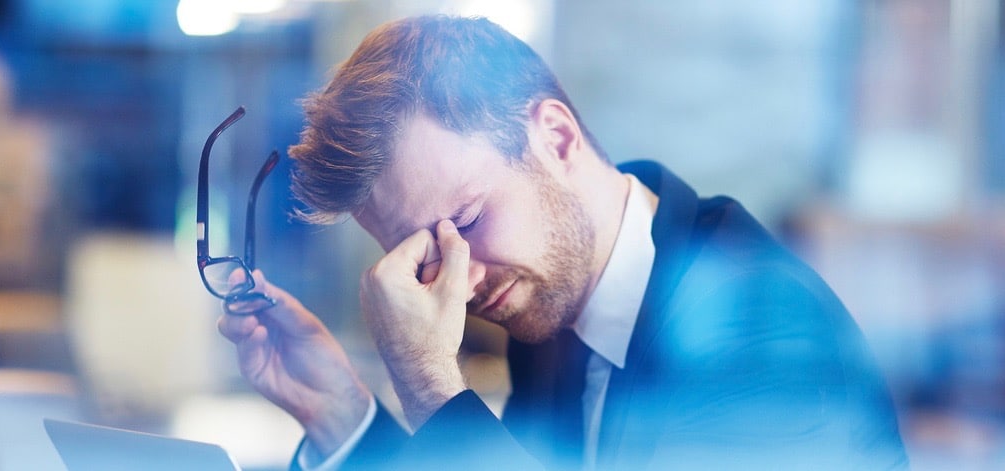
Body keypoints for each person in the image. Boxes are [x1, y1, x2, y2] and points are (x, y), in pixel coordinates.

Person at [217, 15, 908, 470]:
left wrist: (429, 380)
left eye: (469, 219)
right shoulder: (556, 306)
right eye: (425, 255)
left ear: (556, 137)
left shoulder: (757, 332)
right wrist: (342, 409)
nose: (464, 277)